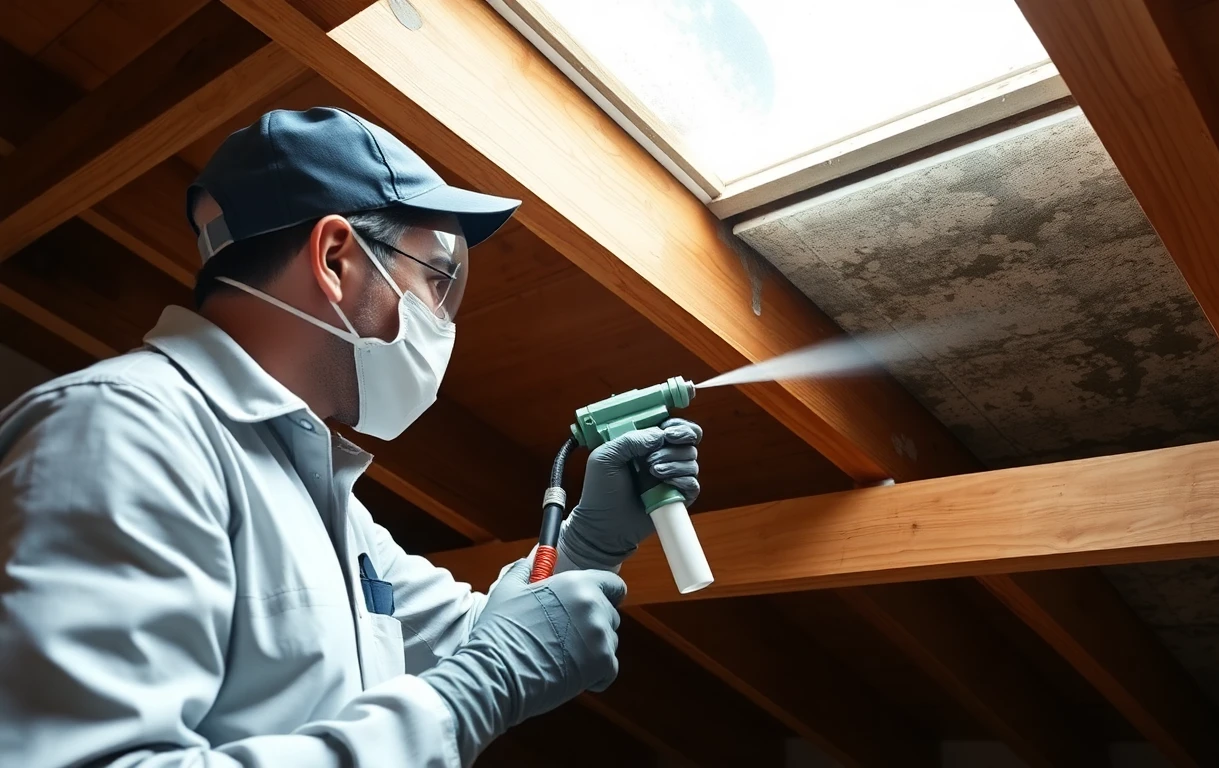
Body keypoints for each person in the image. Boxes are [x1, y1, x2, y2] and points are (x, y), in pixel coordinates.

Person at [0, 107, 703, 767]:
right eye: (437, 279)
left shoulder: (317, 491)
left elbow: (491, 638)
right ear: (336, 258)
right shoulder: (125, 431)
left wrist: (585, 548)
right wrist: (469, 698)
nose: (445, 320)